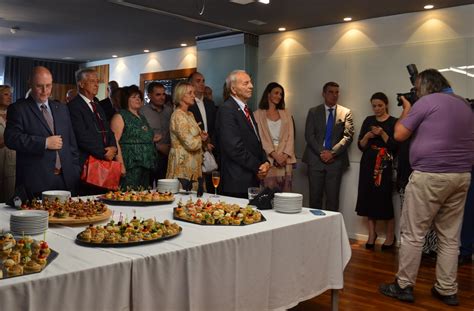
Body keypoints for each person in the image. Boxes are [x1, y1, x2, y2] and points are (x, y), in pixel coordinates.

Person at [379, 69, 473, 306]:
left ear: (425, 87)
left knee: (413, 234)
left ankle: (403, 286)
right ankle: (447, 289)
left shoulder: (427, 102)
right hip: (460, 176)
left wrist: (408, 108)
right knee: (450, 237)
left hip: (430, 176)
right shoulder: (462, 103)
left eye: (418, 88)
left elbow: (399, 134)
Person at [4, 66, 81, 198]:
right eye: (40, 86)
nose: (45, 91)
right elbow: (11, 139)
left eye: (49, 85)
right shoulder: (18, 108)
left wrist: (74, 170)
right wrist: (44, 143)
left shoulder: (62, 108)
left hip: (66, 179)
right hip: (36, 182)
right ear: (30, 84)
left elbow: (71, 143)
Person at [216, 70, 270, 198]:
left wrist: (266, 161)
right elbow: (234, 148)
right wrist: (258, 167)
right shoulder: (227, 110)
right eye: (246, 83)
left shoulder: (247, 110)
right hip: (237, 180)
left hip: (250, 178)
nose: (251, 86)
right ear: (234, 89)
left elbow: (255, 141)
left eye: (250, 82)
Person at [355, 92, 398, 249]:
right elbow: (360, 145)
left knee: (384, 199)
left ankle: (389, 236)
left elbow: (395, 146)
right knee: (368, 198)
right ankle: (372, 235)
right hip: (368, 162)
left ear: (386, 104)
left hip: (385, 164)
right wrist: (367, 135)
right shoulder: (368, 120)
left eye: (380, 105)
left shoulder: (394, 122)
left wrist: (383, 134)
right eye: (374, 106)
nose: (377, 109)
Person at [302, 81, 354, 211]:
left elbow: (348, 136)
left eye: (337, 92)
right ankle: (314, 230)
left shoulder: (346, 112)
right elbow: (309, 135)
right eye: (331, 92)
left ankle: (331, 231)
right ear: (323, 94)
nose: (334, 95)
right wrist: (322, 152)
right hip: (315, 159)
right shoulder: (313, 112)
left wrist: (332, 153)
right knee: (314, 198)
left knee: (332, 200)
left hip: (335, 161)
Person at [68, 68, 117, 195]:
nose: (96, 85)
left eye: (97, 81)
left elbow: (108, 130)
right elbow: (81, 136)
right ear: (81, 84)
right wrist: (104, 152)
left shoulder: (98, 105)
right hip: (87, 163)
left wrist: (113, 147)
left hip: (104, 161)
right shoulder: (74, 106)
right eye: (92, 81)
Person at [110, 85, 157, 189]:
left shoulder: (142, 117)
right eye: (134, 97)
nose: (138, 99)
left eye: (139, 97)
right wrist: (120, 164)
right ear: (126, 99)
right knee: (128, 194)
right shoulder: (120, 116)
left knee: (143, 196)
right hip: (129, 165)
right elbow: (115, 141)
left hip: (145, 165)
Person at [253, 82, 296, 192]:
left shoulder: (286, 113)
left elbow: (291, 135)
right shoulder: (257, 114)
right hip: (268, 158)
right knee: (267, 193)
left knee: (285, 195)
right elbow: (260, 137)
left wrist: (284, 156)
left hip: (286, 159)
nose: (279, 96)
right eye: (276, 93)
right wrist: (275, 156)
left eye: (281, 94)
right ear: (268, 94)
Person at [166, 82, 208, 190]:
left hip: (193, 162)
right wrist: (201, 139)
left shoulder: (190, 114)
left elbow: (194, 136)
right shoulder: (178, 115)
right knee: (182, 197)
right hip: (182, 163)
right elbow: (190, 144)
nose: (193, 95)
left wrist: (201, 135)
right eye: (190, 93)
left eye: (193, 92)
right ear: (180, 95)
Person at [188, 72, 217, 192]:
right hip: (193, 150)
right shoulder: (187, 105)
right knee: (194, 186)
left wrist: (211, 143)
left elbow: (215, 127)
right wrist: (203, 144)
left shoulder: (210, 104)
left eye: (203, 81)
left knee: (209, 185)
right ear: (190, 84)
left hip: (210, 148)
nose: (202, 84)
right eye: (198, 81)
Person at [141, 82, 172, 184]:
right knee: (147, 190)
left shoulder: (170, 111)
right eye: (158, 94)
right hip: (149, 157)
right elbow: (139, 135)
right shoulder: (142, 112)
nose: (162, 97)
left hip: (167, 158)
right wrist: (158, 146)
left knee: (165, 190)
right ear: (149, 95)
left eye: (163, 94)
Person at [0, 85, 16, 202]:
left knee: (9, 197)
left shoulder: (14, 114)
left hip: (12, 162)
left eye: (10, 95)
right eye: (6, 94)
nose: (9, 97)